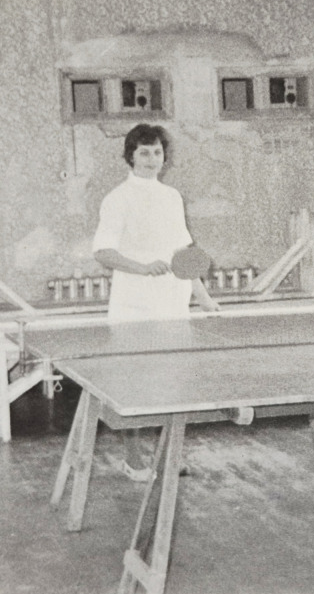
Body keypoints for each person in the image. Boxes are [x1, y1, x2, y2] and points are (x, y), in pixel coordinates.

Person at [93, 123, 219, 480]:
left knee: (171, 383)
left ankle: (168, 456)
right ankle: (133, 460)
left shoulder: (172, 197)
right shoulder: (117, 199)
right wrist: (143, 268)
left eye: (157, 152)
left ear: (165, 157)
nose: (152, 159)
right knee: (133, 386)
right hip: (133, 306)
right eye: (144, 152)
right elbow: (102, 252)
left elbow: (183, 254)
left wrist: (204, 299)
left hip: (171, 305)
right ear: (131, 156)